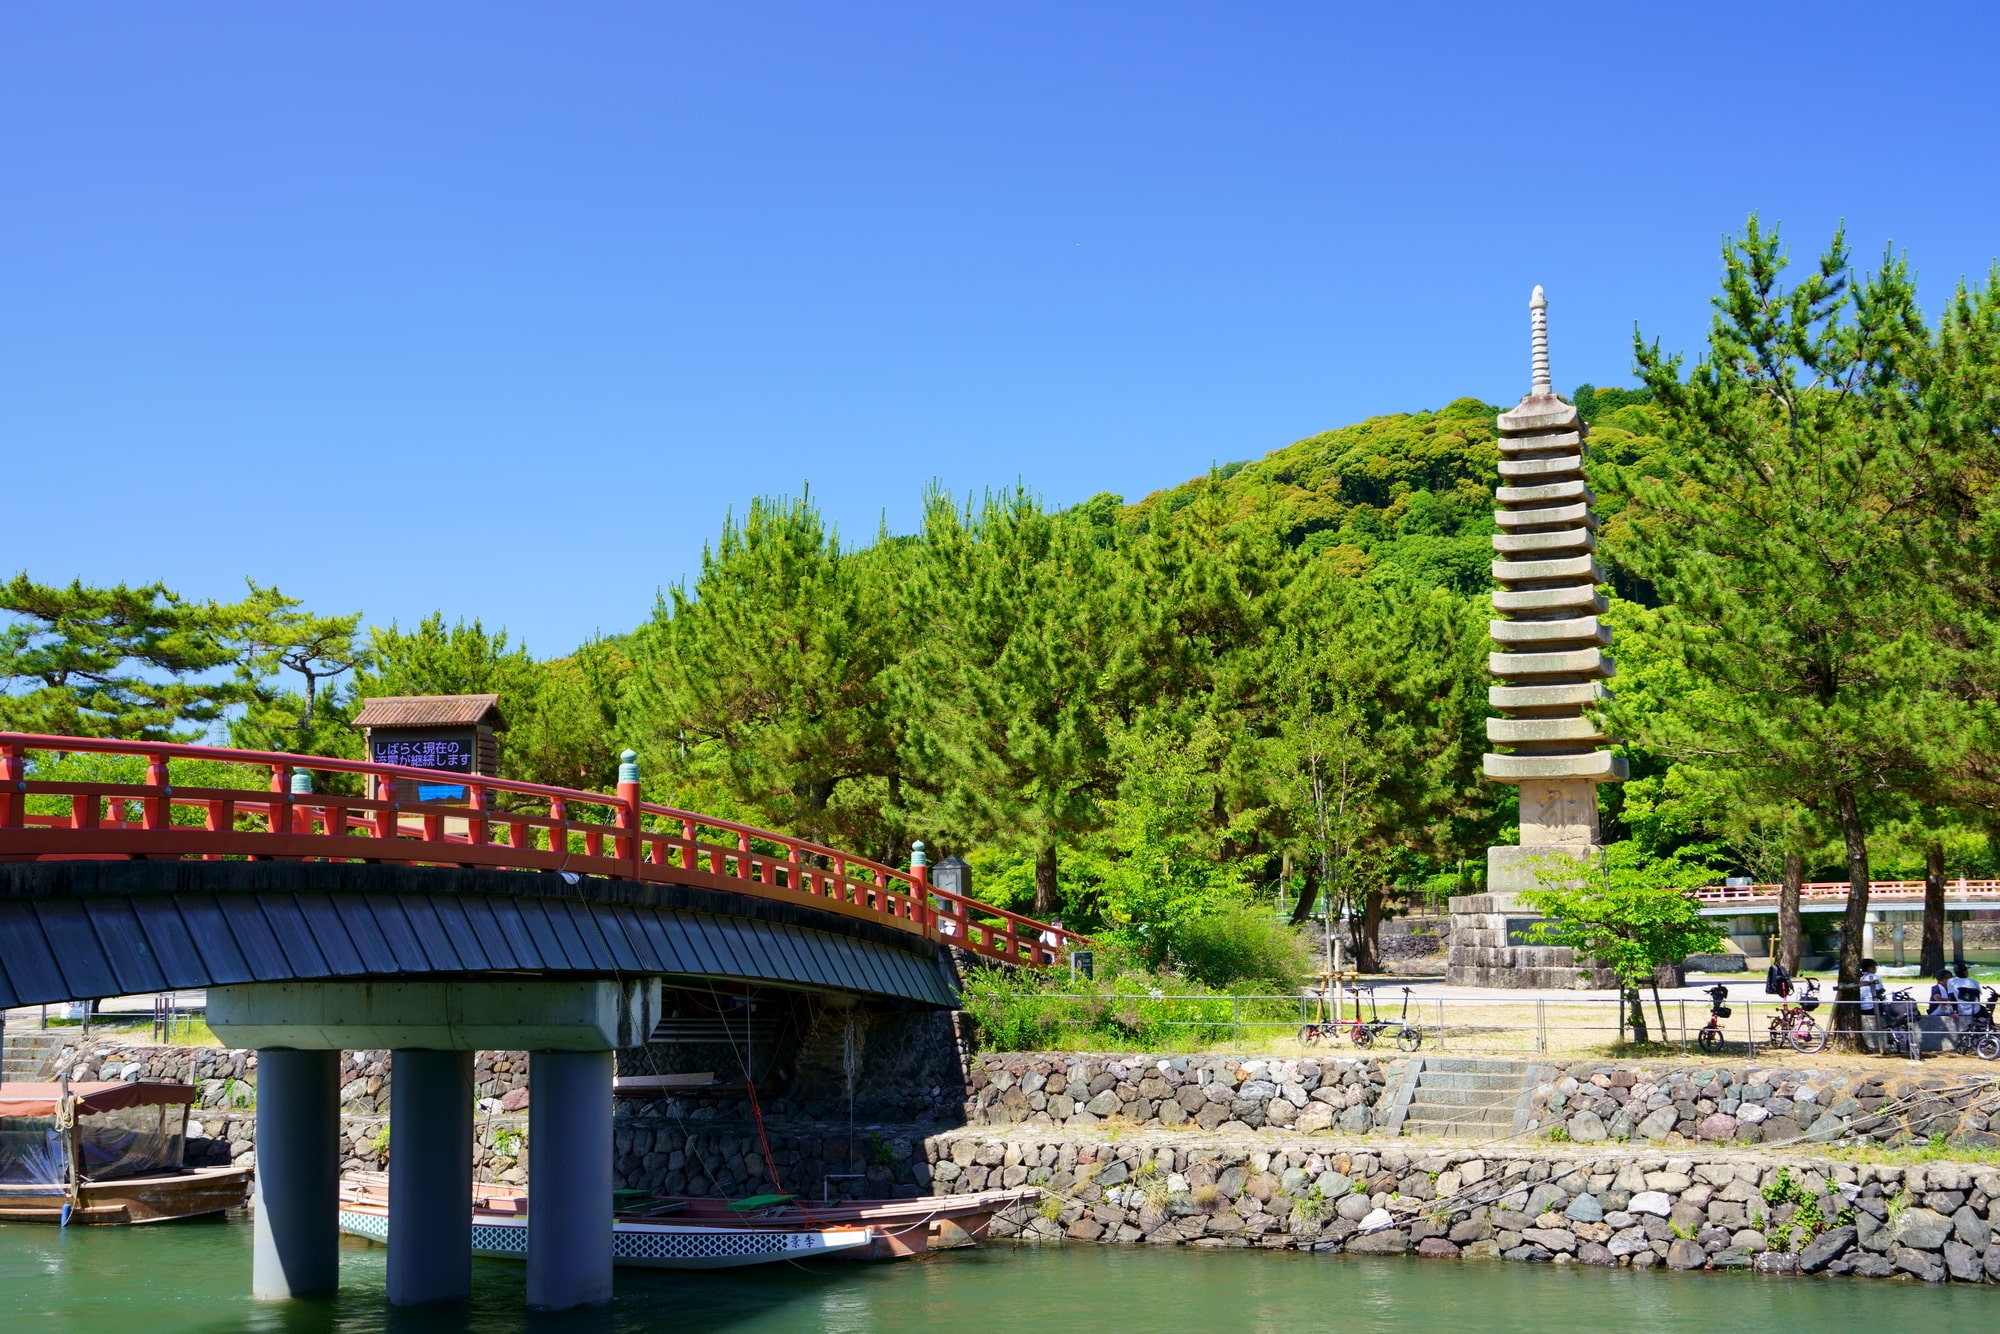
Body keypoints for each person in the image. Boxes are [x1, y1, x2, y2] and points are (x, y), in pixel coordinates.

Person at [1929, 969, 1959, 1050]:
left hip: (1947, 1010)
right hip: (1936, 1011)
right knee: (1943, 1006)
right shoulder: (1936, 988)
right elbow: (1937, 997)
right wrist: (1946, 1001)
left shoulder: (1951, 989)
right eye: (1947, 978)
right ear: (1941, 980)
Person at [1858, 958, 1884, 1053]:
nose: (1875, 969)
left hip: (1860, 1007)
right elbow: (1880, 990)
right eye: (1874, 967)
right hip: (1872, 1007)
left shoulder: (1858, 977)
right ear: (1870, 968)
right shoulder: (1875, 977)